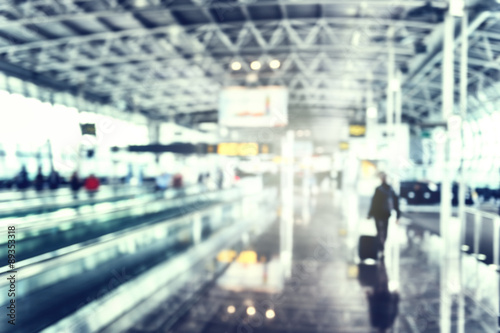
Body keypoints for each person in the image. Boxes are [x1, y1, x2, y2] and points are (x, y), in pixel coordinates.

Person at [367, 172, 401, 258]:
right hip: (386, 214)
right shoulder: (391, 190)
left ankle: (380, 248)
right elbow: (396, 203)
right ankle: (382, 247)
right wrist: (398, 215)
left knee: (379, 231)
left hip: (378, 214)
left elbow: (374, 203)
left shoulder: (379, 189)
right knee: (384, 231)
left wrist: (370, 214)